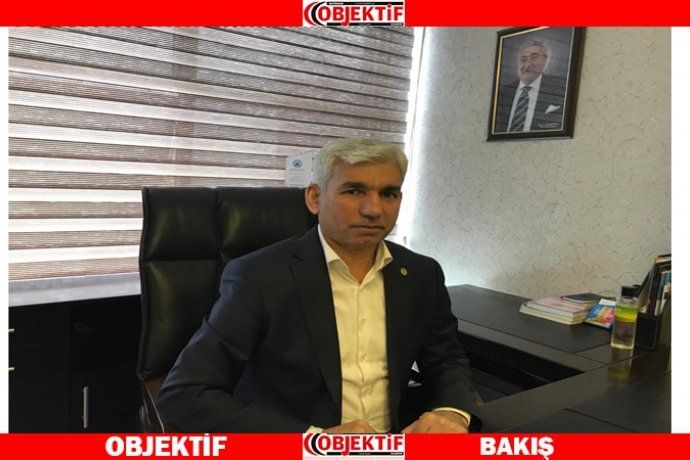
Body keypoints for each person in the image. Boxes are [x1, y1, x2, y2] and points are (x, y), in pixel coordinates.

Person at [156, 138, 479, 433]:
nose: (373, 209)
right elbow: (185, 393)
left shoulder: (422, 274)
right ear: (314, 198)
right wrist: (315, 441)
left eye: (388, 194)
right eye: (353, 191)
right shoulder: (259, 276)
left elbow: (446, 360)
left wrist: (452, 413)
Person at [494, 39, 567, 133]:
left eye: (534, 58)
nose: (527, 64)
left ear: (545, 61)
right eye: (523, 59)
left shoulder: (561, 89)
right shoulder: (502, 93)